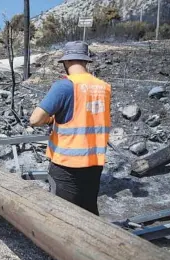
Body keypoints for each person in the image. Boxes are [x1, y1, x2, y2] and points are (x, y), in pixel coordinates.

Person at [29, 41, 111, 216]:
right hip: (94, 162)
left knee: (63, 217)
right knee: (89, 211)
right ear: (85, 61)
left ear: (66, 62)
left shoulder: (64, 86)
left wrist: (50, 118)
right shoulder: (104, 87)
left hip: (66, 164)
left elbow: (35, 119)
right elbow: (86, 115)